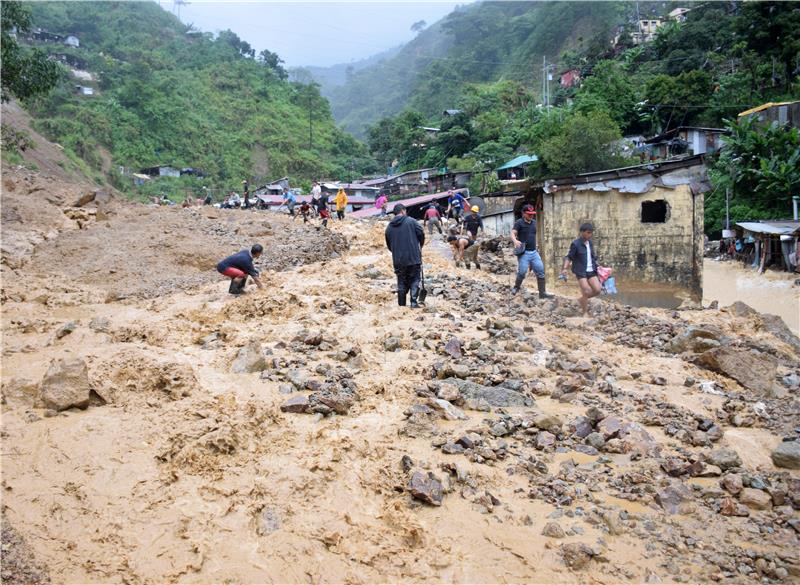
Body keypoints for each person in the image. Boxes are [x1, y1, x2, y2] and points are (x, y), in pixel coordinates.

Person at [385, 204, 425, 308]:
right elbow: (421, 234)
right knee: (415, 279)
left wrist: (396, 252)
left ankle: (401, 306)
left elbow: (389, 245)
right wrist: (420, 246)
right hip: (413, 257)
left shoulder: (389, 227)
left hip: (398, 260)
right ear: (403, 211)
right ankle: (413, 303)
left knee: (401, 281)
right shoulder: (411, 221)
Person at [510, 204, 553, 298]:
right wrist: (515, 241)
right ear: (524, 213)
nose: (531, 216)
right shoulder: (519, 223)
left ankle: (542, 293)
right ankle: (516, 287)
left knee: (540, 271)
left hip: (534, 252)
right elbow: (513, 233)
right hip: (524, 253)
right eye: (529, 214)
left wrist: (537, 245)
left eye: (532, 214)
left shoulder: (534, 223)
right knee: (522, 272)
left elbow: (534, 235)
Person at [560, 222, 601, 315]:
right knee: (586, 290)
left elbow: (592, 256)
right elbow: (569, 257)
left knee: (598, 290)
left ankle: (581, 300)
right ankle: (585, 312)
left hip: (591, 270)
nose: (590, 235)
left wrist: (599, 266)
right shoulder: (575, 244)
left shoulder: (590, 243)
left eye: (591, 232)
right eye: (588, 232)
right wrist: (565, 268)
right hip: (581, 271)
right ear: (582, 232)